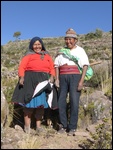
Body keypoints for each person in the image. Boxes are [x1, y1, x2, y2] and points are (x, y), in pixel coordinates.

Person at [12, 36, 55, 135]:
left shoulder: (47, 55)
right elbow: (22, 67)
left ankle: (38, 127)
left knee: (40, 105)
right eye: (35, 44)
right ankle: (27, 127)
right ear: (32, 45)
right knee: (29, 104)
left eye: (39, 44)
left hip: (43, 82)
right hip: (30, 81)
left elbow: (52, 67)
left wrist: (52, 76)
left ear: (42, 45)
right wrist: (21, 77)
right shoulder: (28, 55)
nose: (37, 46)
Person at [54, 28, 90, 136]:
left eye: (70, 39)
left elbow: (85, 66)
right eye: (66, 39)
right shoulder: (61, 51)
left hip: (75, 77)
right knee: (61, 101)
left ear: (75, 40)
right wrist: (56, 79)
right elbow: (56, 65)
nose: (68, 41)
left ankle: (73, 127)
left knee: (74, 101)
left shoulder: (80, 50)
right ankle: (63, 125)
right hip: (62, 76)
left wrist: (81, 81)